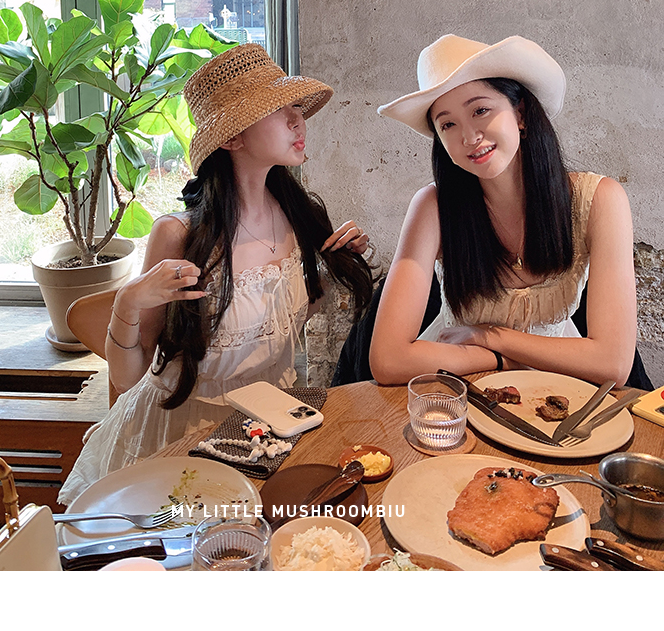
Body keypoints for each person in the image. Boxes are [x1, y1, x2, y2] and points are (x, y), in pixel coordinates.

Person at [59, 43, 373, 504]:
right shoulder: (179, 236)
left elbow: (283, 323)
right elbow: (128, 379)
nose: (297, 120)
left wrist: (339, 264)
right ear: (231, 139)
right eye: (278, 109)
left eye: (295, 107)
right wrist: (128, 302)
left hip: (268, 424)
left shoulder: (301, 215)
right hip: (184, 431)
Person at [369, 33, 637, 387]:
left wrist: (490, 338)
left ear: (520, 113)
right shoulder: (433, 207)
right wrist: (498, 360)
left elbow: (614, 365)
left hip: (556, 386)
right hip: (459, 383)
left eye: (480, 110)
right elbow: (387, 360)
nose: (469, 137)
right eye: (447, 124)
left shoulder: (600, 200)